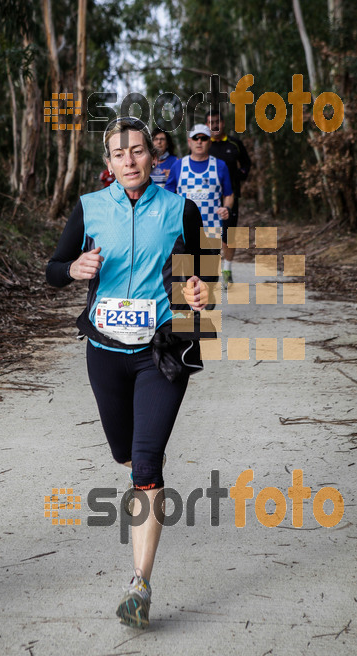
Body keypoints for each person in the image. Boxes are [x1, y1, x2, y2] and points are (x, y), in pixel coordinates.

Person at [46, 117, 215, 630]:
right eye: (120, 155)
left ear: (153, 157)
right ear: (109, 163)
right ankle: (141, 474)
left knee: (146, 464)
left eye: (138, 151)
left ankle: (139, 583)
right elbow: (55, 269)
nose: (130, 161)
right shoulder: (90, 209)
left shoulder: (179, 209)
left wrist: (200, 297)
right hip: (104, 351)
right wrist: (74, 270)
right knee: (124, 451)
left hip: (160, 352)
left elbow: (203, 267)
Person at [164, 124, 234, 257]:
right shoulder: (178, 165)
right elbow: (167, 195)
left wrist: (227, 208)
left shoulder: (220, 166)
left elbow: (229, 194)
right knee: (184, 274)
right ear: (190, 142)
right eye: (196, 138)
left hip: (212, 228)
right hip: (183, 230)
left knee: (209, 273)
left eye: (204, 138)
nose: (199, 141)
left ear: (210, 142)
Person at [207, 110, 251, 288]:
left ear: (223, 123)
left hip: (230, 197)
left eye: (217, 121)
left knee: (228, 235)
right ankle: (209, 273)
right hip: (207, 199)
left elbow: (246, 163)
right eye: (210, 122)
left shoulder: (235, 143)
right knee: (208, 237)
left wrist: (240, 176)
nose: (214, 126)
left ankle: (227, 270)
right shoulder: (202, 143)